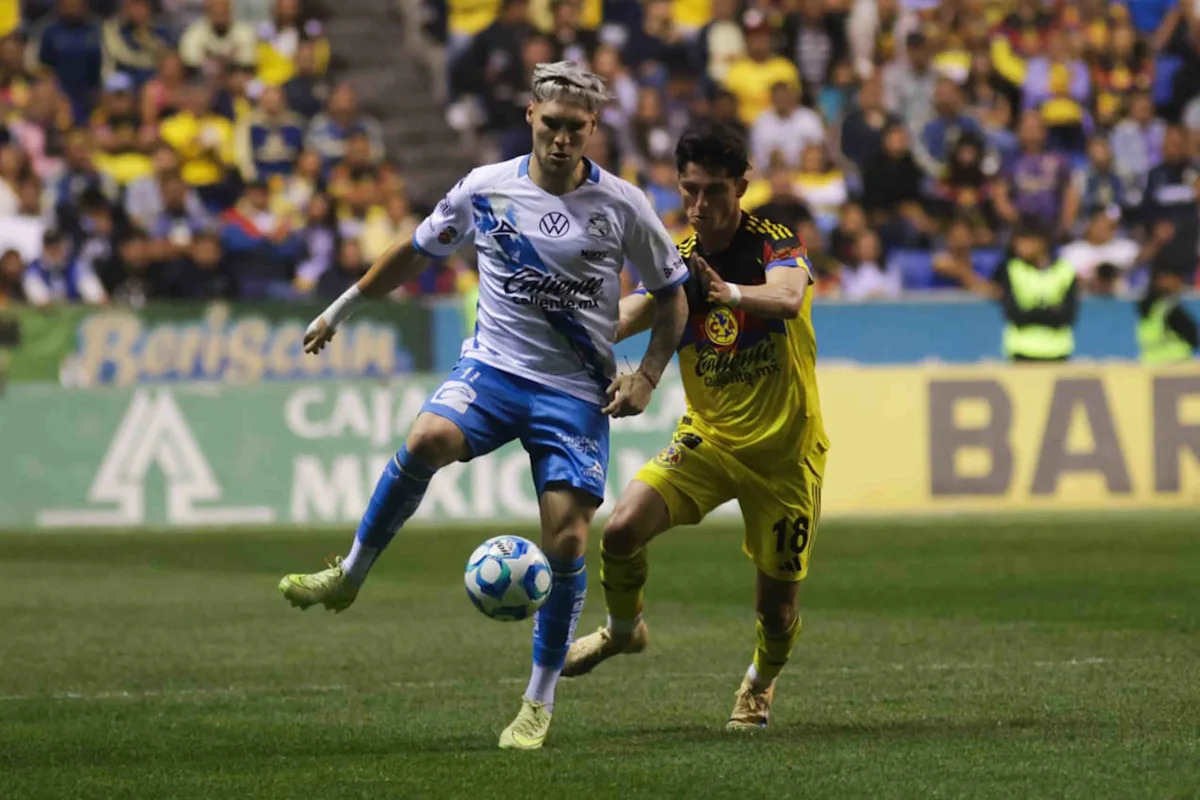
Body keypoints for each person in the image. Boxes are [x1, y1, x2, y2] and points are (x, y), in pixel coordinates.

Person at [277, 61, 690, 750]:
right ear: (531, 115)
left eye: (576, 129)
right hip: (494, 370)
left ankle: (538, 701)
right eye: (551, 125)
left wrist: (648, 376)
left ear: (593, 130)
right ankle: (348, 576)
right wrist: (341, 309)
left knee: (565, 540)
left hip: (574, 392)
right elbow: (412, 255)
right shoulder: (485, 189)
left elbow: (673, 295)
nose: (562, 140)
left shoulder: (623, 205)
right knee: (426, 437)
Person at [561, 122, 828, 731]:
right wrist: (562, 329)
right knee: (621, 531)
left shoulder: (774, 241)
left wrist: (728, 292)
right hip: (708, 441)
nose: (699, 207)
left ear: (742, 186)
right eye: (689, 192)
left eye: (713, 191)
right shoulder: (679, 262)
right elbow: (634, 312)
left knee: (778, 610)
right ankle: (624, 631)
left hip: (785, 456)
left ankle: (759, 684)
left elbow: (787, 299)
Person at [992, 218, 1079, 362]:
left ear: (1042, 241)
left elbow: (1068, 315)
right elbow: (1013, 314)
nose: (1020, 246)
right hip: (1021, 350)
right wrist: (1049, 311)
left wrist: (1030, 312)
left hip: (1058, 350)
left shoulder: (1065, 270)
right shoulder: (1011, 269)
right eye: (1018, 241)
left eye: (1026, 240)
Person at [1137, 270, 1198, 364]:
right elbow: (1192, 335)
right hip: (1175, 362)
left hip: (1151, 362)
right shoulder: (1170, 310)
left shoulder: (1150, 309)